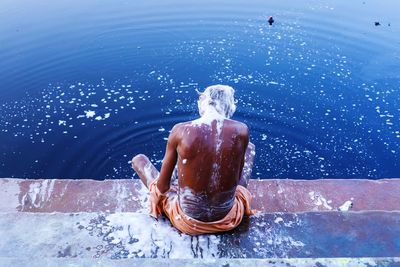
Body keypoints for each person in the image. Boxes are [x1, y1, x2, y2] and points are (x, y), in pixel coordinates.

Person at [131, 84, 256, 235]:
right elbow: (235, 180)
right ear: (229, 106)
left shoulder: (181, 130)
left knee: (139, 160)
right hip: (228, 219)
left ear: (202, 103)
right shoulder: (241, 130)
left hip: (187, 222)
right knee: (249, 148)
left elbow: (162, 187)